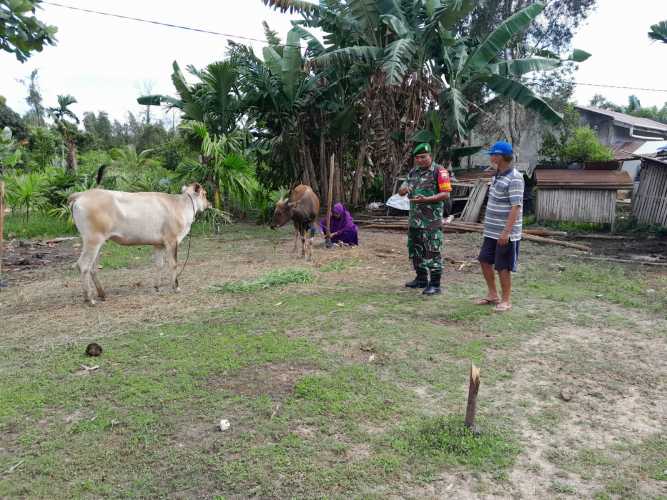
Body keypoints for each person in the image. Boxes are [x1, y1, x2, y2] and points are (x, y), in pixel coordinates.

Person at [475, 141, 524, 312]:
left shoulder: (515, 178)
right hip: (491, 231)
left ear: (501, 156)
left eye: (493, 154)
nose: (491, 157)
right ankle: (492, 294)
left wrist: (506, 232)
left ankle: (506, 300)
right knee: (484, 260)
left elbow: (516, 207)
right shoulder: (497, 175)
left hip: (505, 232)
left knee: (503, 266)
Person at [398, 143, 452, 295]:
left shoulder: (439, 171)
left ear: (430, 156)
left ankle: (435, 284)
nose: (420, 160)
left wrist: (427, 199)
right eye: (417, 158)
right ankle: (421, 278)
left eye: (423, 157)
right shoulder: (413, 172)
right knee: (416, 250)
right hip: (415, 220)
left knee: (432, 251)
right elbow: (402, 190)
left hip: (431, 221)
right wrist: (403, 189)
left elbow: (446, 193)